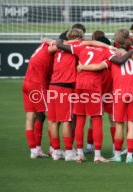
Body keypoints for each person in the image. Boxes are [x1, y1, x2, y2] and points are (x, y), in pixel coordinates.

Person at [77, 29, 133, 163]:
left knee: (119, 125)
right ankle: (129, 156)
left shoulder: (113, 56)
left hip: (118, 93)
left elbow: (99, 66)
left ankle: (117, 155)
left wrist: (83, 67)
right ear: (129, 41)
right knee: (132, 124)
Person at [56, 31, 133, 163]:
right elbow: (120, 60)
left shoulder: (81, 47)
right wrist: (130, 52)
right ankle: (97, 155)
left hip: (80, 85)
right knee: (96, 119)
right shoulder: (107, 52)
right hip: (93, 86)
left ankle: (79, 153)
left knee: (81, 119)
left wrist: (64, 41)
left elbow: (60, 45)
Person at [47, 29, 83, 161]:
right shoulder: (76, 47)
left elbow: (49, 47)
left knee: (54, 122)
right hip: (65, 87)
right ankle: (69, 152)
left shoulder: (57, 48)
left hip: (53, 86)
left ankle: (56, 151)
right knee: (67, 121)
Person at [22, 40, 54, 159]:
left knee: (31, 117)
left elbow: (45, 39)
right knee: (51, 117)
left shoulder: (42, 46)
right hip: (37, 84)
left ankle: (34, 150)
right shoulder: (51, 49)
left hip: (26, 83)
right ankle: (54, 149)